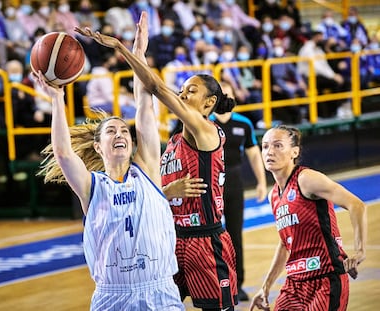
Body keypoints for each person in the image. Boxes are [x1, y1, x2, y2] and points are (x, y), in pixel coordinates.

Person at [75, 11, 239, 310]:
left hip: (205, 239)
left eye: (191, 90)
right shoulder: (175, 142)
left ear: (208, 104)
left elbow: (157, 89)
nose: (182, 92)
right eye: (183, 88)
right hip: (171, 241)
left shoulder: (206, 131)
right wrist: (168, 192)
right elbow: (153, 194)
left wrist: (125, 49)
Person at [34, 14, 184, 310]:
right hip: (111, 297)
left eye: (123, 130)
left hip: (160, 293)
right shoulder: (92, 187)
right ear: (98, 147)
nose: (120, 134)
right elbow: (64, 153)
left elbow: (144, 104)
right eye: (111, 131)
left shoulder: (148, 172)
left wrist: (137, 54)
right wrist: (57, 99)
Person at [249, 125, 367, 311]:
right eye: (265, 146)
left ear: (294, 152)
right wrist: (265, 287)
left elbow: (356, 205)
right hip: (294, 283)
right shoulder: (274, 195)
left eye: (278, 145)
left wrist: (360, 251)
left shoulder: (306, 179)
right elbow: (285, 242)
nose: (269, 151)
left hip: (325, 278)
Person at [210, 81, 268, 301]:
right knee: (211, 235)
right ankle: (214, 283)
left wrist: (262, 182)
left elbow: (254, 154)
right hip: (211, 183)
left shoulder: (244, 124)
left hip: (234, 182)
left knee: (235, 235)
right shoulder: (205, 123)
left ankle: (237, 284)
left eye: (228, 92)